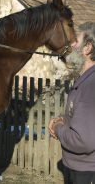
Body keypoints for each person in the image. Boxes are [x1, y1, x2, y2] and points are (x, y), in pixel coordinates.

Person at [48, 22, 95, 184]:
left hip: (86, 173)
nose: (71, 44)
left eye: (76, 41)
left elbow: (82, 141)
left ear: (88, 48)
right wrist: (63, 118)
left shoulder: (91, 85)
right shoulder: (85, 79)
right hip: (79, 168)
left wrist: (57, 128)